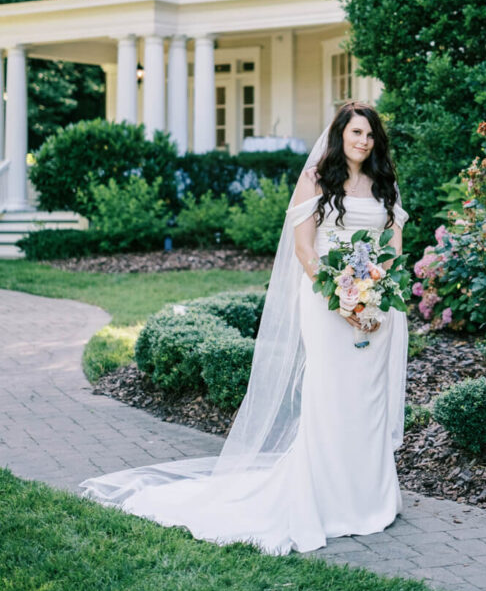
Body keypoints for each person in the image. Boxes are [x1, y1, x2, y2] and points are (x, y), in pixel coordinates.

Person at [79, 101, 409, 555]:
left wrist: (376, 292)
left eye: (370, 135)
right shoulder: (316, 180)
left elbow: (393, 246)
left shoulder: (384, 182)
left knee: (368, 397)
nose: (363, 141)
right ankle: (328, 499)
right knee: (331, 394)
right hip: (328, 303)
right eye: (356, 133)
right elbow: (304, 249)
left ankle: (369, 496)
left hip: (378, 306)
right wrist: (343, 297)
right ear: (340, 135)